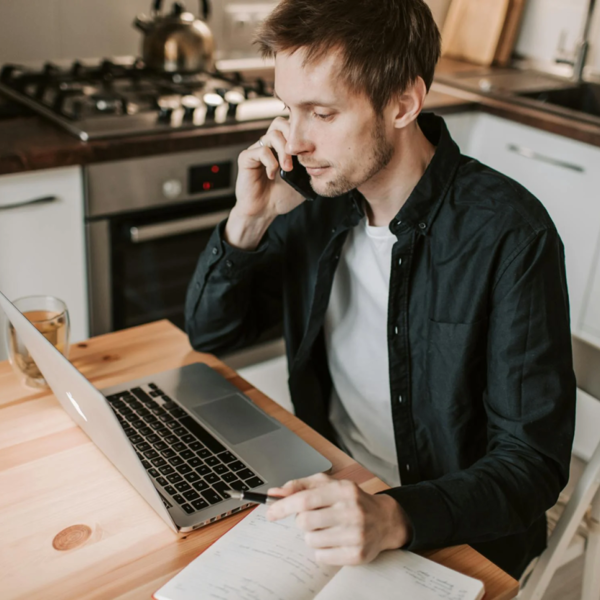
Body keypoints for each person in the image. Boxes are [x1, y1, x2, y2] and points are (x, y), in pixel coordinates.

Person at [185, 0, 576, 580]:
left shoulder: (510, 234)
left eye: (321, 113)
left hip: (456, 530)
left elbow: (531, 466)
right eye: (288, 110)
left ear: (403, 103)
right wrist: (248, 222)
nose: (294, 142)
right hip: (332, 486)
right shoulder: (309, 201)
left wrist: (392, 514)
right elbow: (212, 333)